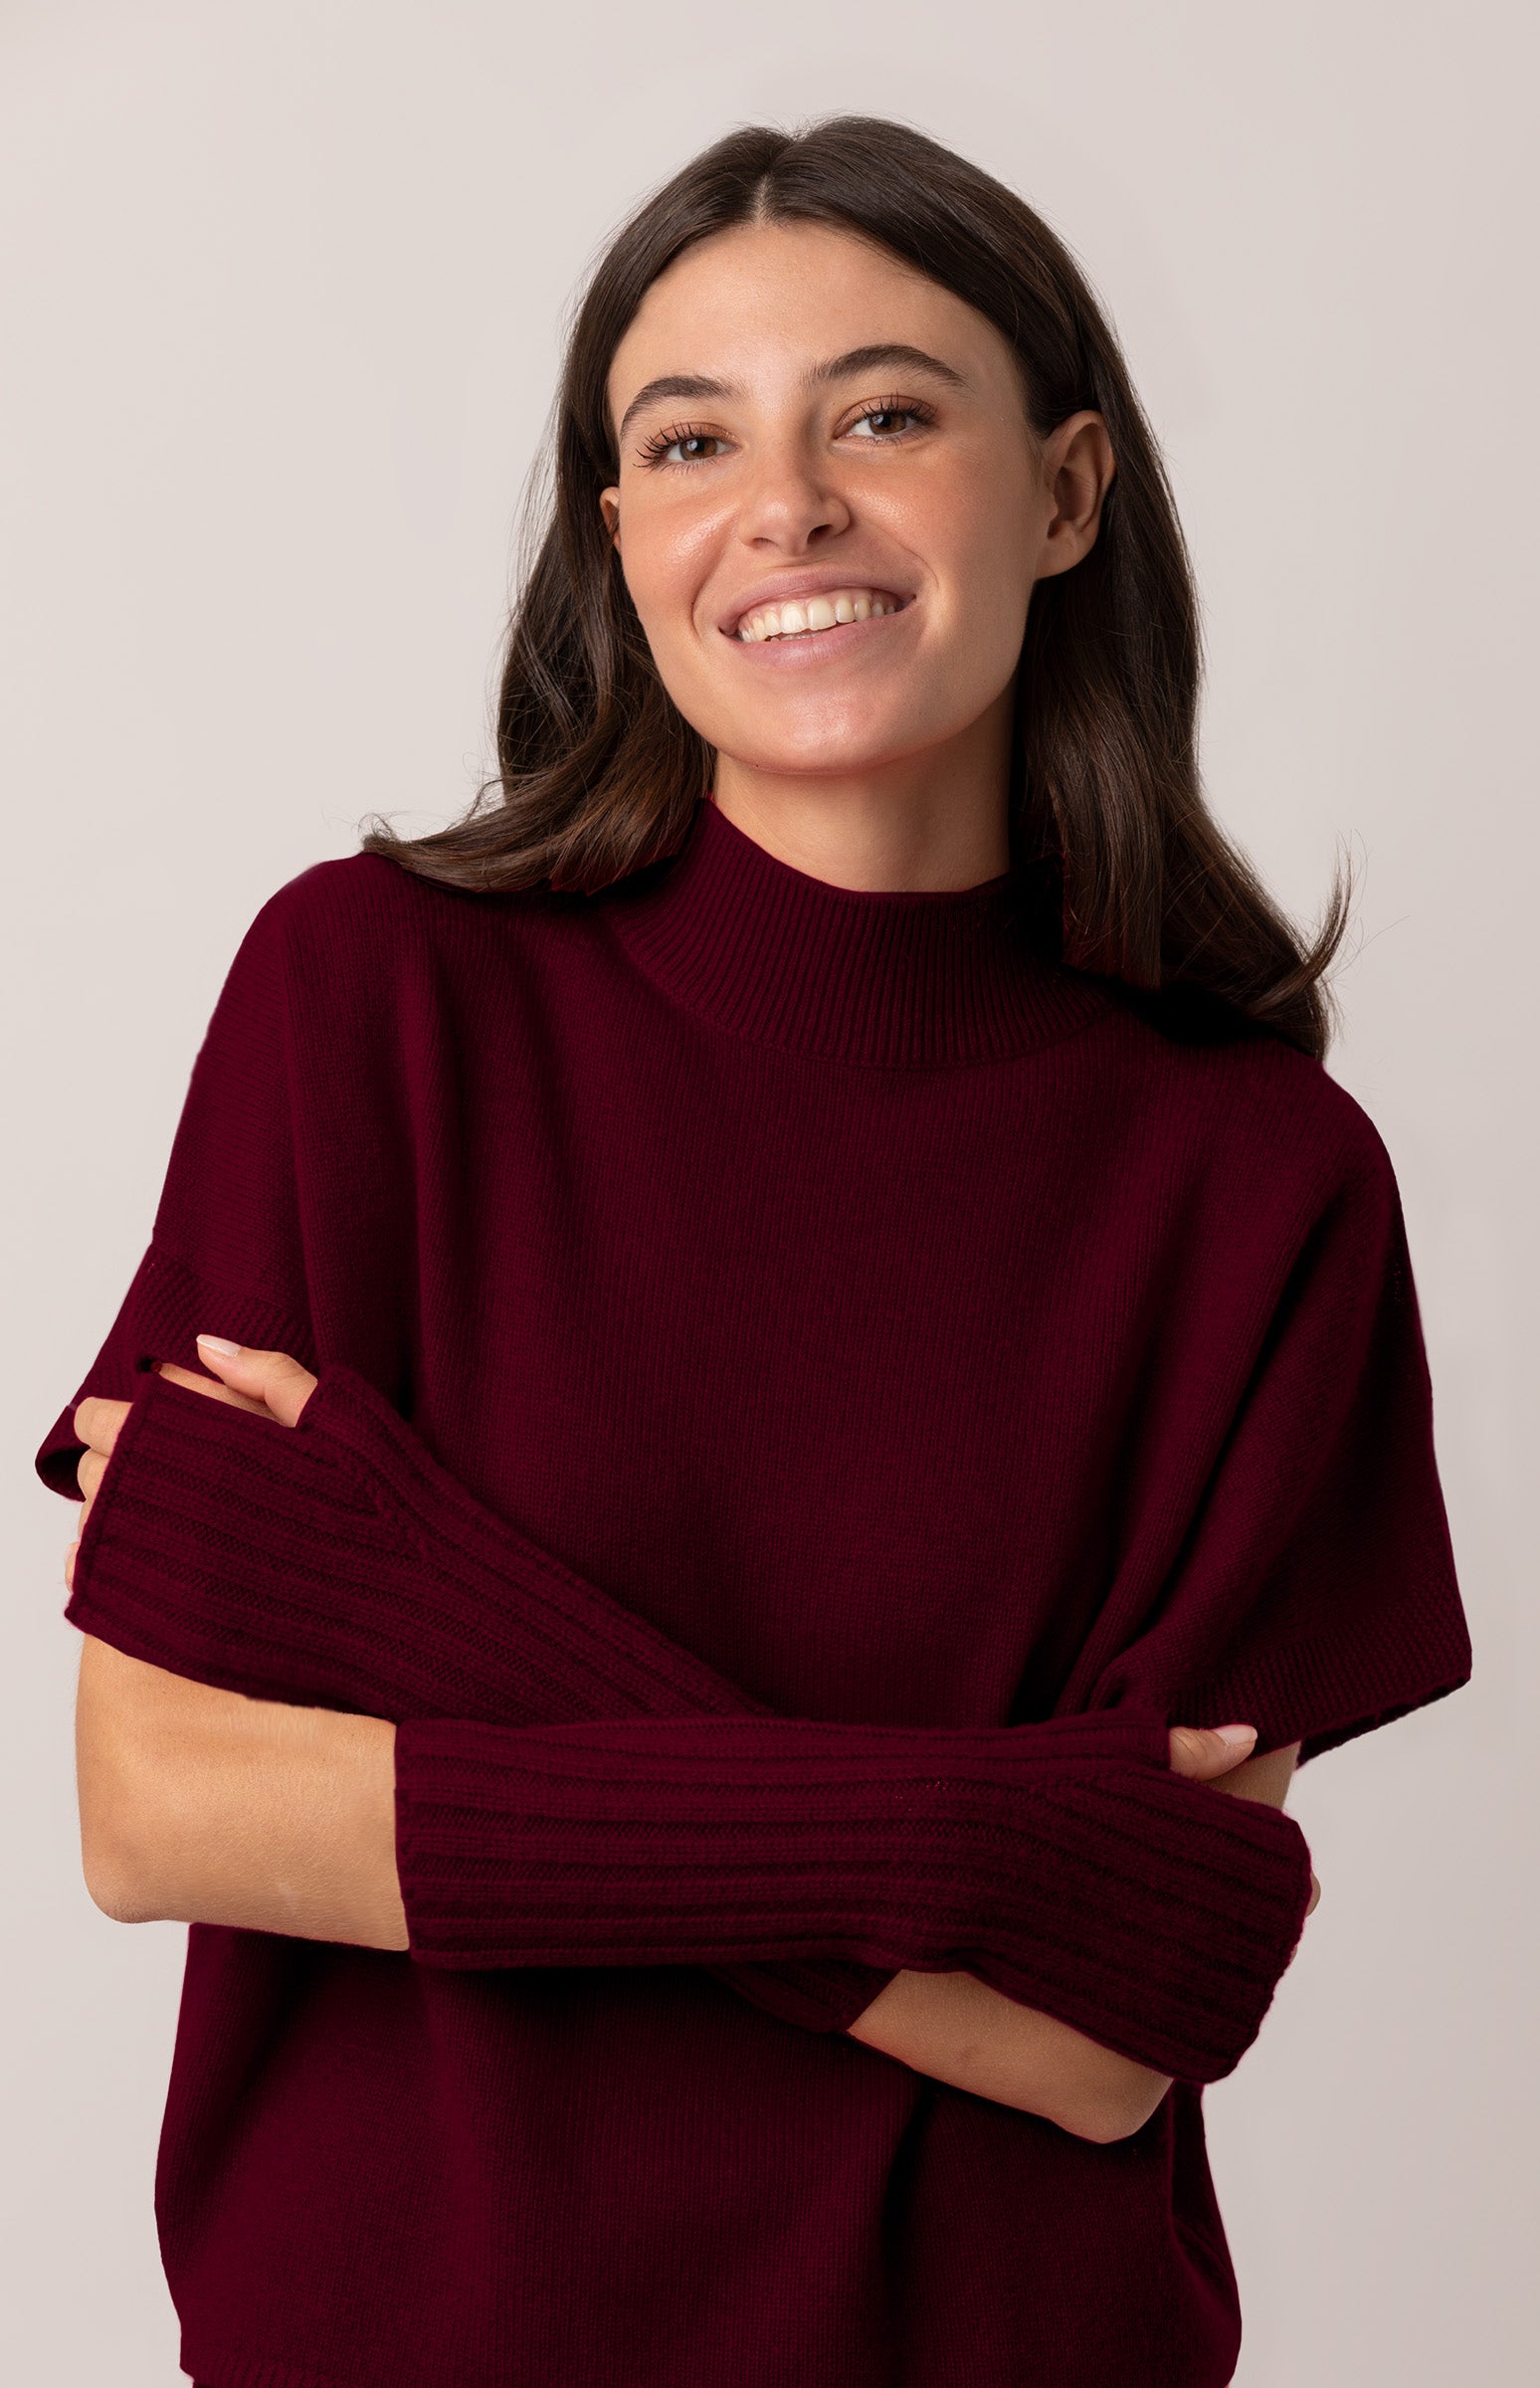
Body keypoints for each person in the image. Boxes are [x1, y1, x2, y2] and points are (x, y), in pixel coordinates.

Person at [41, 115, 1470, 2388]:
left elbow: (1107, 2030)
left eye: (884, 417)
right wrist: (969, 1838)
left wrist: (428, 1614)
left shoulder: (1262, 1181)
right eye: (691, 440)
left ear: (1067, 493)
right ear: (622, 537)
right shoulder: (369, 1005)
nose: (785, 506)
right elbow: (162, 1807)